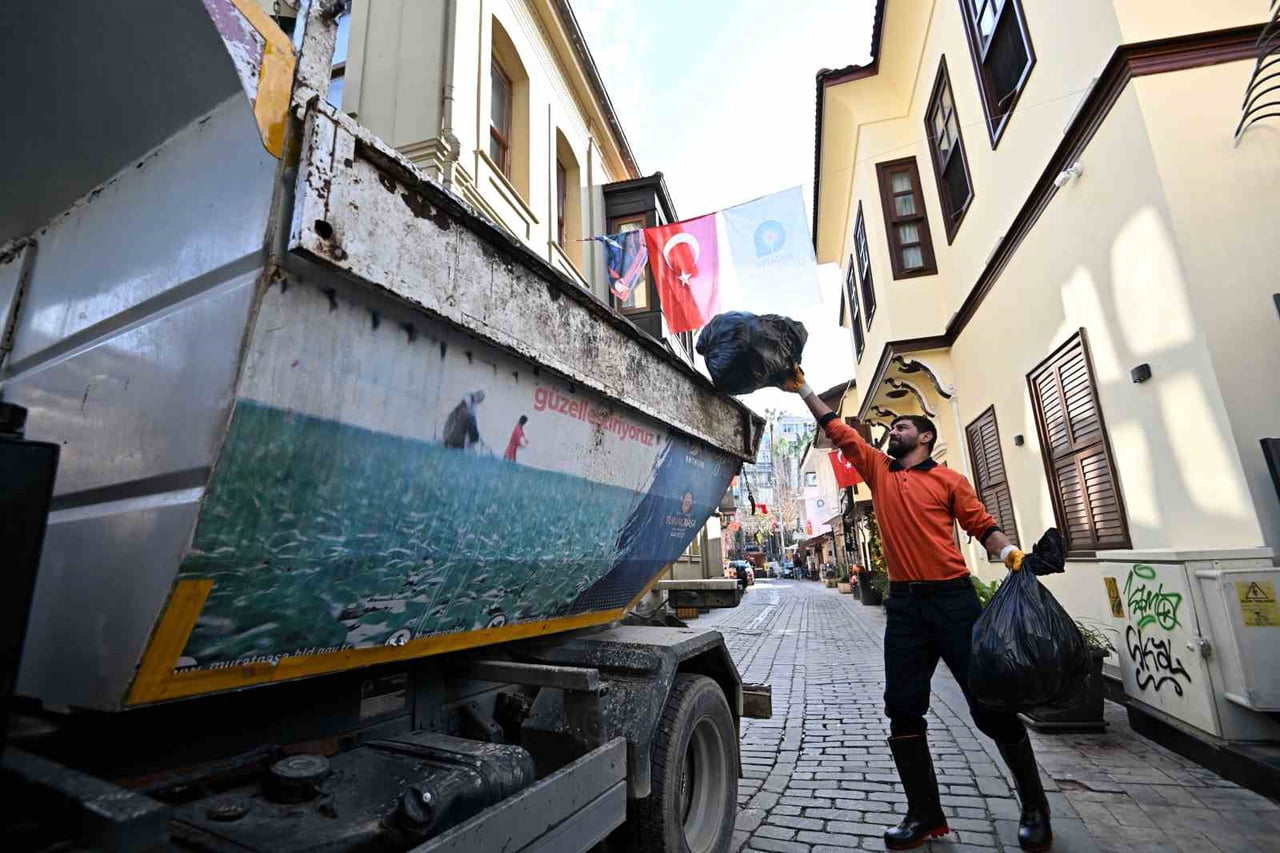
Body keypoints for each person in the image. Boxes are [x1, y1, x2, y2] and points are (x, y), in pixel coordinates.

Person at [783, 366, 1051, 852]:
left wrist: (1012, 555)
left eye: (901, 428)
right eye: (890, 430)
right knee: (903, 710)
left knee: (990, 706)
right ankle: (925, 815)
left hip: (953, 601)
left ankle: (1035, 806)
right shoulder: (879, 472)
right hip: (905, 606)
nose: (892, 433)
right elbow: (837, 430)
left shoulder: (950, 480)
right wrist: (802, 388)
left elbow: (982, 527)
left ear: (924, 437)